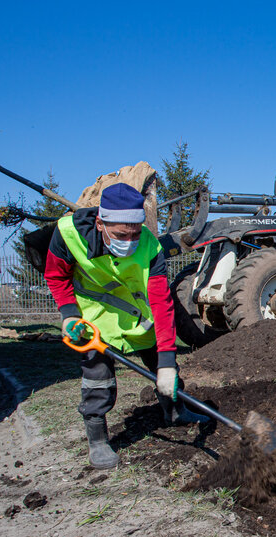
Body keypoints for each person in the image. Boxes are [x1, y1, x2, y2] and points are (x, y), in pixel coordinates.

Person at [44, 183, 208, 470]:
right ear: (99, 223)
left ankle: (175, 411)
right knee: (98, 376)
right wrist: (69, 314)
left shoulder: (150, 246)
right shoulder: (68, 234)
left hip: (137, 315)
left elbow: (161, 301)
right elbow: (56, 276)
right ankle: (97, 439)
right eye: (121, 235)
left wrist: (168, 361)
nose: (130, 241)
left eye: (135, 233)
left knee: (163, 365)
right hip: (93, 317)